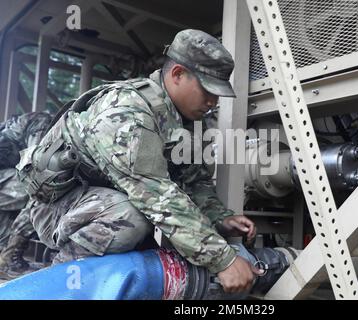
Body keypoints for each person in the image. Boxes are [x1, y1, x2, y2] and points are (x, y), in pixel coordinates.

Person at [17, 29, 263, 293]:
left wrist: (220, 218)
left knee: (142, 231)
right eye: (207, 90)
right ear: (178, 74)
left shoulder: (184, 122)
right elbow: (155, 196)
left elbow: (193, 182)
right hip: (58, 206)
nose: (213, 102)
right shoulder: (127, 111)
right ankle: (63, 286)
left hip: (103, 202)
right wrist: (222, 260)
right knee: (130, 218)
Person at [0, 111, 52, 279]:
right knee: (40, 188)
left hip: (4, 178)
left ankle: (5, 257)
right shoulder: (43, 123)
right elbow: (35, 169)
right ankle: (9, 257)